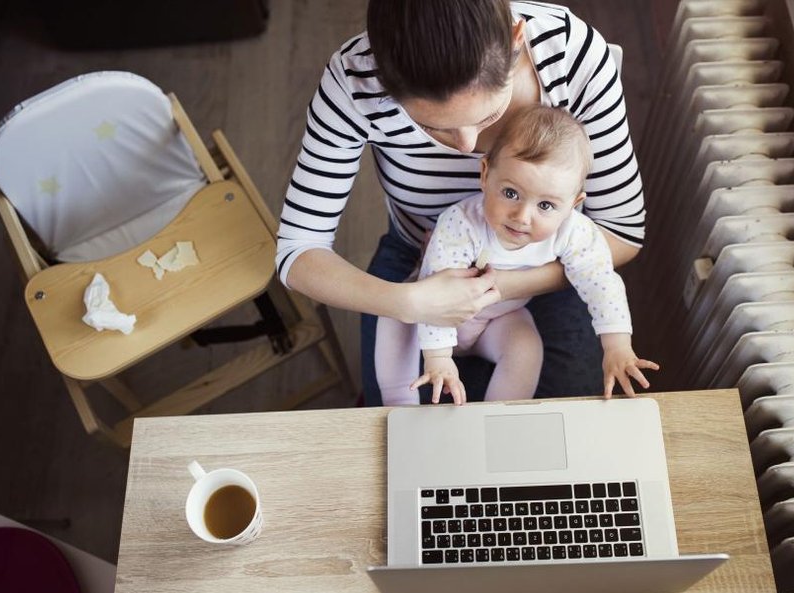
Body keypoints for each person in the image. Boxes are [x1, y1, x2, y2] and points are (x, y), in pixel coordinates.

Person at [276, 0, 647, 405]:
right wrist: (408, 301)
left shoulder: (572, 55)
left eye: (488, 117)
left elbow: (621, 234)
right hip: (417, 263)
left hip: (548, 265)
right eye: (432, 126)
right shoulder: (354, 81)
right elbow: (297, 250)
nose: (469, 149)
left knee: (560, 434)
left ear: (515, 40)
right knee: (400, 427)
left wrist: (501, 285)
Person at [376, 106, 657, 405]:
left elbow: (601, 283)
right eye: (511, 193)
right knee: (394, 316)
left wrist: (617, 347)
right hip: (432, 312)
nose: (522, 217)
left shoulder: (575, 233)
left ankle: (499, 414)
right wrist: (439, 357)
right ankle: (398, 405)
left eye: (546, 206)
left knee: (525, 347)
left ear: (573, 205)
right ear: (485, 175)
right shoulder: (461, 223)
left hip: (497, 319)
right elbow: (436, 291)